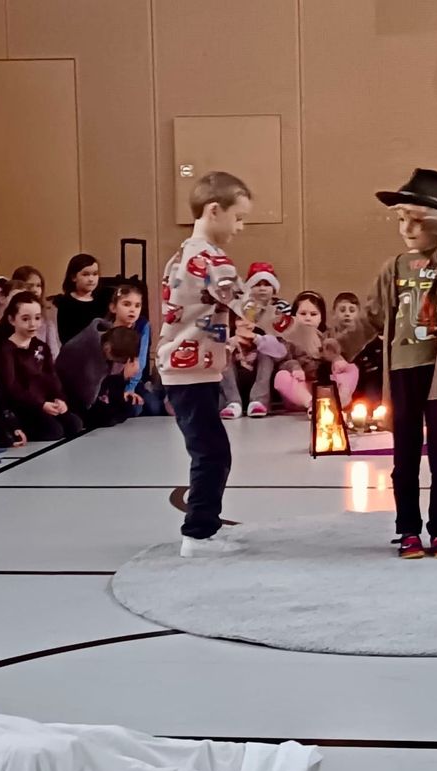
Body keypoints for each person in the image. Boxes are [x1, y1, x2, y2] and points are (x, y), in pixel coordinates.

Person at [354, 168, 437, 559]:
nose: (407, 227)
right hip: (402, 374)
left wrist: (429, 212)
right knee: (404, 458)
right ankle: (407, 529)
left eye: (415, 219)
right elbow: (370, 318)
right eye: (401, 220)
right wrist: (336, 348)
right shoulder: (393, 268)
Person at [157, 171, 251, 559]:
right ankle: (197, 534)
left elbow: (192, 315)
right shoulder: (210, 259)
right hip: (188, 373)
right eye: (239, 217)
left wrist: (223, 341)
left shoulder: (183, 254)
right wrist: (299, 331)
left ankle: (206, 529)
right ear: (215, 210)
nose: (240, 227)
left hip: (191, 369)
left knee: (210, 449)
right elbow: (250, 304)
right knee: (211, 452)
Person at [0, 292, 82, 441]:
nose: (33, 324)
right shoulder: (6, 350)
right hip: (24, 406)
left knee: (74, 424)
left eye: (37, 318)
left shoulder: (41, 346)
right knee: (54, 431)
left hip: (45, 403)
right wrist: (40, 404)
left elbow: (52, 376)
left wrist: (59, 399)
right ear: (11, 320)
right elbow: (11, 387)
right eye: (25, 319)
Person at [272, 291, 358, 411]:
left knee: (351, 368)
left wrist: (337, 360)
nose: (308, 318)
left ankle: (339, 400)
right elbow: (283, 361)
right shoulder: (287, 337)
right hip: (300, 388)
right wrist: (295, 367)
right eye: (303, 314)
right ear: (294, 316)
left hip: (324, 386)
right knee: (281, 377)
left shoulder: (327, 336)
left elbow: (334, 354)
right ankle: (311, 404)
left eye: (313, 314)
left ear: (321, 317)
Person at [56, 320, 140, 428]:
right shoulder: (83, 349)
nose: (107, 350)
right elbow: (87, 397)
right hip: (71, 398)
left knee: (126, 408)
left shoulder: (106, 344)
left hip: (91, 395)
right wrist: (122, 376)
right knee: (108, 416)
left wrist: (123, 376)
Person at [109, 283, 166, 416]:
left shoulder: (142, 326)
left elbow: (139, 362)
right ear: (113, 308)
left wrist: (130, 388)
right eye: (126, 304)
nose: (132, 310)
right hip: (111, 383)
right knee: (132, 410)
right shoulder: (106, 330)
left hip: (133, 381)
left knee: (154, 407)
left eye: (137, 305)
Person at [53, 253, 105, 345]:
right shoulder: (66, 303)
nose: (91, 279)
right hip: (75, 352)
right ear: (73, 277)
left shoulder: (102, 301)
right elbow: (65, 336)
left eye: (95, 274)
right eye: (85, 274)